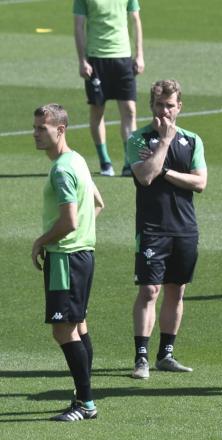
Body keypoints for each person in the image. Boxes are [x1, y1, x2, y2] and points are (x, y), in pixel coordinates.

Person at [126, 79, 207, 379]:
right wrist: (164, 143)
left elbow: (200, 182)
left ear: (179, 107)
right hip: (151, 228)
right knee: (149, 290)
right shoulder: (138, 140)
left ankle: (166, 354)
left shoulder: (193, 140)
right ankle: (141, 357)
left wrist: (167, 170)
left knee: (176, 290)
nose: (164, 111)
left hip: (185, 228)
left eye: (170, 106)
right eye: (159, 105)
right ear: (152, 106)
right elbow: (146, 177)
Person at [31, 104, 105, 421]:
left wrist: (41, 241)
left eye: (41, 129)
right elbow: (98, 203)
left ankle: (85, 403)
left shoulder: (62, 169)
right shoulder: (77, 160)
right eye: (35, 128)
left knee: (62, 331)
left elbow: (70, 221)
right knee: (78, 326)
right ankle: (83, 395)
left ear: (60, 130)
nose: (35, 134)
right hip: (83, 255)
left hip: (65, 259)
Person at [74, 0, 145, 177]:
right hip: (96, 59)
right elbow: (78, 25)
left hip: (123, 57)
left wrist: (140, 55)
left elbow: (135, 20)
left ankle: (129, 161)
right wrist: (82, 60)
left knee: (129, 110)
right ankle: (104, 161)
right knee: (97, 110)